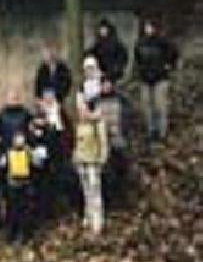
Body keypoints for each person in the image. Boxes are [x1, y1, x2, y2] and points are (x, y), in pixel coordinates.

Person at [134, 19, 180, 143]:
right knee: (146, 106)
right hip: (145, 78)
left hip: (160, 77)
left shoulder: (163, 41)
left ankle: (162, 132)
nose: (147, 29)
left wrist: (169, 65)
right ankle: (151, 130)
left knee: (160, 105)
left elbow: (174, 53)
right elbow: (137, 58)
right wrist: (139, 71)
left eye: (149, 27)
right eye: (146, 27)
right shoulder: (140, 43)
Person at [73, 103, 109, 234]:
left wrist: (102, 159)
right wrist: (75, 157)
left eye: (84, 110)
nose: (82, 113)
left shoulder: (97, 124)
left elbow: (103, 143)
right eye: (80, 111)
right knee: (86, 190)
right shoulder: (79, 126)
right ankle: (87, 215)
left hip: (93, 161)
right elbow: (77, 143)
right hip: (81, 161)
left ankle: (98, 220)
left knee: (95, 191)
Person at [96, 77, 131, 208]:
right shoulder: (94, 102)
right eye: (103, 85)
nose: (106, 87)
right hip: (101, 141)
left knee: (121, 167)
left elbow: (127, 120)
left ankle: (122, 197)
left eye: (108, 84)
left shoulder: (121, 100)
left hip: (119, 139)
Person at [2, 131, 36, 244]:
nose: (19, 142)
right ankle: (11, 234)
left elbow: (36, 164)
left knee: (25, 211)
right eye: (17, 140)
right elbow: (2, 165)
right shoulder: (9, 152)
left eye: (21, 139)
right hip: (13, 184)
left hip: (25, 183)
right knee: (12, 211)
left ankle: (25, 234)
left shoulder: (28, 151)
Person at [86, 19, 129, 84]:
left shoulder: (116, 43)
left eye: (104, 29)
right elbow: (93, 53)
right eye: (101, 29)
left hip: (113, 73)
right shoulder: (98, 44)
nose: (103, 31)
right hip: (101, 73)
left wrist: (117, 68)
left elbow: (122, 56)